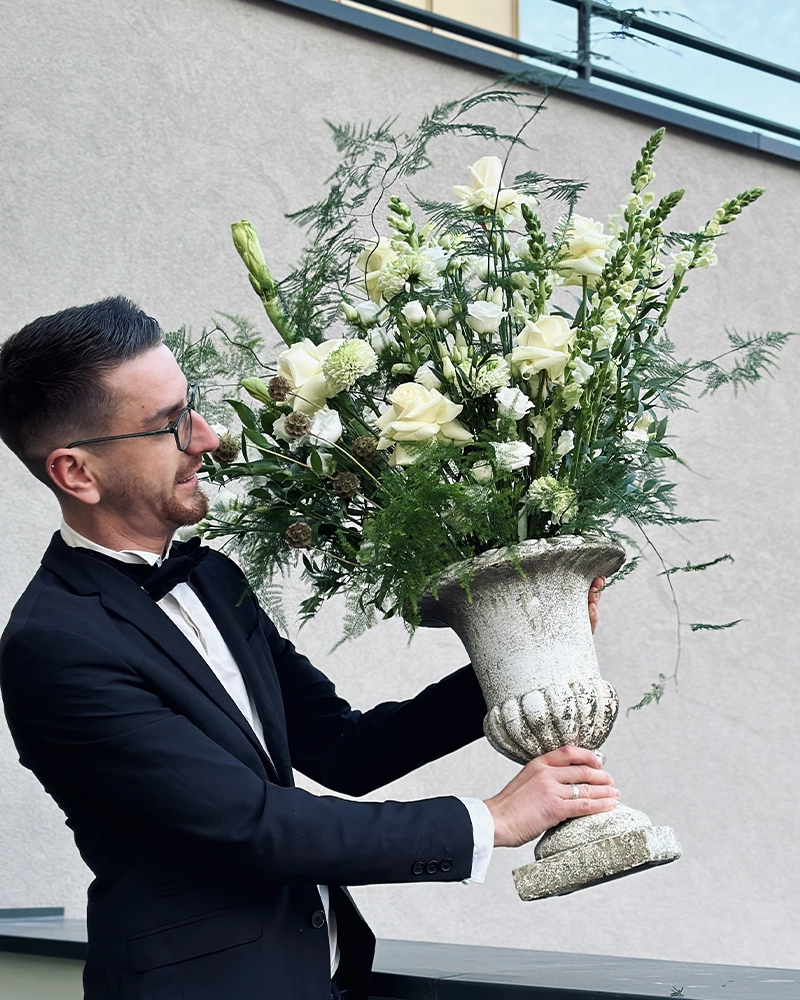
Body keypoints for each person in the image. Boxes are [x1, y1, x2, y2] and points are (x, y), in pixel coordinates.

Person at [0, 297, 618, 1000]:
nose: (207, 437)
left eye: (190, 408)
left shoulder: (210, 577)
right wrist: (490, 820)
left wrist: (518, 651)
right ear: (76, 473)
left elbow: (346, 750)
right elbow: (254, 826)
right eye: (169, 425)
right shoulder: (54, 646)